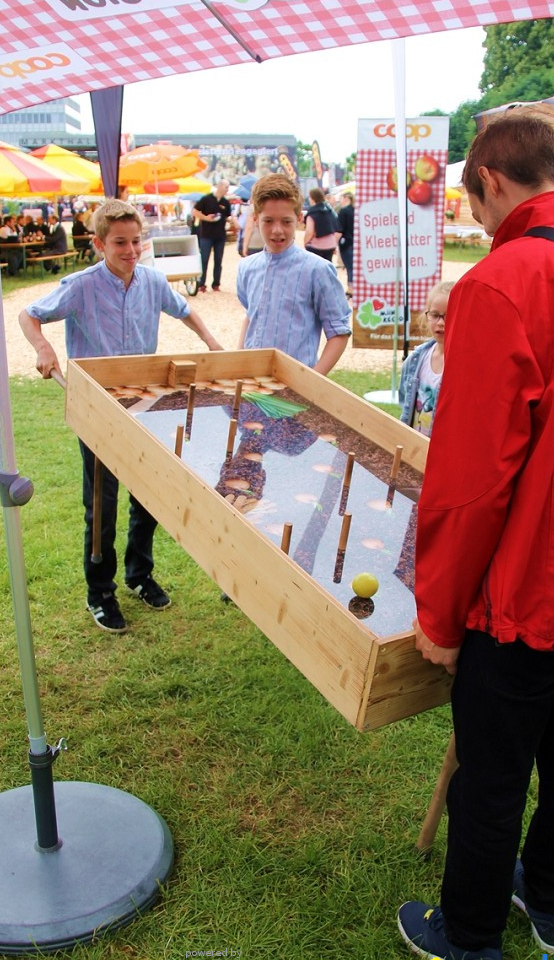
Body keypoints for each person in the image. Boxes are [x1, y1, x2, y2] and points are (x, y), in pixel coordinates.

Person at [397, 117, 554, 960]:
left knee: (493, 773)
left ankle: (468, 936)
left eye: (473, 206)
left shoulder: (501, 281)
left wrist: (438, 613)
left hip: (531, 591)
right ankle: (549, 906)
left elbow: (471, 478)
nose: (477, 223)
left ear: (491, 184)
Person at [19, 199, 223, 635]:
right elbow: (29, 314)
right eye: (120, 243)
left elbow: (185, 310)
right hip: (97, 408)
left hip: (143, 404)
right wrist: (44, 348)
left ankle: (138, 574)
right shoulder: (81, 285)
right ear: (98, 243)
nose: (131, 250)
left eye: (136, 241)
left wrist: (211, 342)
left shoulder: (151, 281)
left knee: (149, 494)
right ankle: (101, 591)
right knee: (102, 504)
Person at [236, 174, 351, 374]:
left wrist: (312, 380)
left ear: (299, 220)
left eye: (286, 222)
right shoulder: (247, 268)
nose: (277, 230)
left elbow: (339, 332)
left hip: (296, 386)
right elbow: (252, 314)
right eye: (268, 221)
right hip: (251, 383)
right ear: (255, 219)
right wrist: (238, 360)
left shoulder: (317, 270)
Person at [398, 280, 456, 435]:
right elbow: (404, 400)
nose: (441, 323)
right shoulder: (416, 359)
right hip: (413, 448)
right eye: (435, 315)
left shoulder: (463, 366)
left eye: (448, 316)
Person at [192, 179, 233, 292]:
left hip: (220, 235)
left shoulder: (225, 202)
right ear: (219, 186)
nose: (227, 190)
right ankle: (201, 283)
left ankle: (216, 284)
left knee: (218, 260)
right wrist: (206, 218)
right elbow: (195, 211)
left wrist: (232, 221)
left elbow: (228, 216)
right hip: (206, 234)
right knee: (204, 259)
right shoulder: (206, 199)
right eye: (226, 187)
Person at [303, 186, 340, 261]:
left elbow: (309, 232)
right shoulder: (329, 210)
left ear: (313, 198)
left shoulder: (312, 213)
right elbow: (337, 227)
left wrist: (305, 242)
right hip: (331, 245)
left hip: (317, 246)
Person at [337, 192, 355, 296]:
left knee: (349, 267)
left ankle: (350, 288)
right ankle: (353, 287)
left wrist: (334, 243)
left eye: (341, 198)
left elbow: (339, 230)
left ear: (346, 198)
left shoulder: (343, 212)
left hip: (346, 243)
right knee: (353, 267)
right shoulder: (354, 210)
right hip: (355, 242)